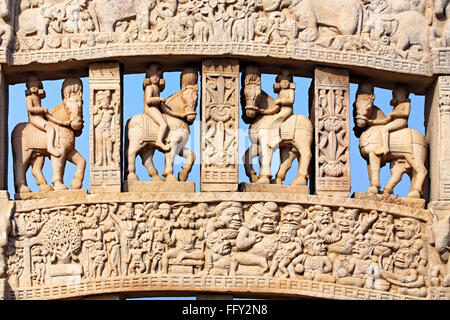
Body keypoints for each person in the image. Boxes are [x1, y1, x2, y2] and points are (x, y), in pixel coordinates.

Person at [26, 76, 62, 157]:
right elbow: (30, 108)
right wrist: (41, 109)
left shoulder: (38, 98)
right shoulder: (29, 98)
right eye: (31, 85)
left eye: (36, 85)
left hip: (40, 117)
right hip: (34, 118)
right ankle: (50, 147)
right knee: (50, 128)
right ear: (28, 88)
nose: (34, 86)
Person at [369, 84, 411, 156]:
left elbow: (406, 113)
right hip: (395, 121)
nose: (400, 97)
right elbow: (385, 121)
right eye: (397, 96)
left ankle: (385, 147)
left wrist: (394, 114)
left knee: (384, 129)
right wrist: (372, 122)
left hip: (401, 121)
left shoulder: (406, 104)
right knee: (383, 128)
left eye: (402, 96)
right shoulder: (396, 107)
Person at [143, 64, 171, 152]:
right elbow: (148, 100)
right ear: (148, 77)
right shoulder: (149, 87)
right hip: (150, 108)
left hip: (156, 108)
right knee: (164, 124)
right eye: (152, 76)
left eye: (157, 76)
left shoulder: (157, 88)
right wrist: (159, 99)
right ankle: (159, 141)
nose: (155, 78)